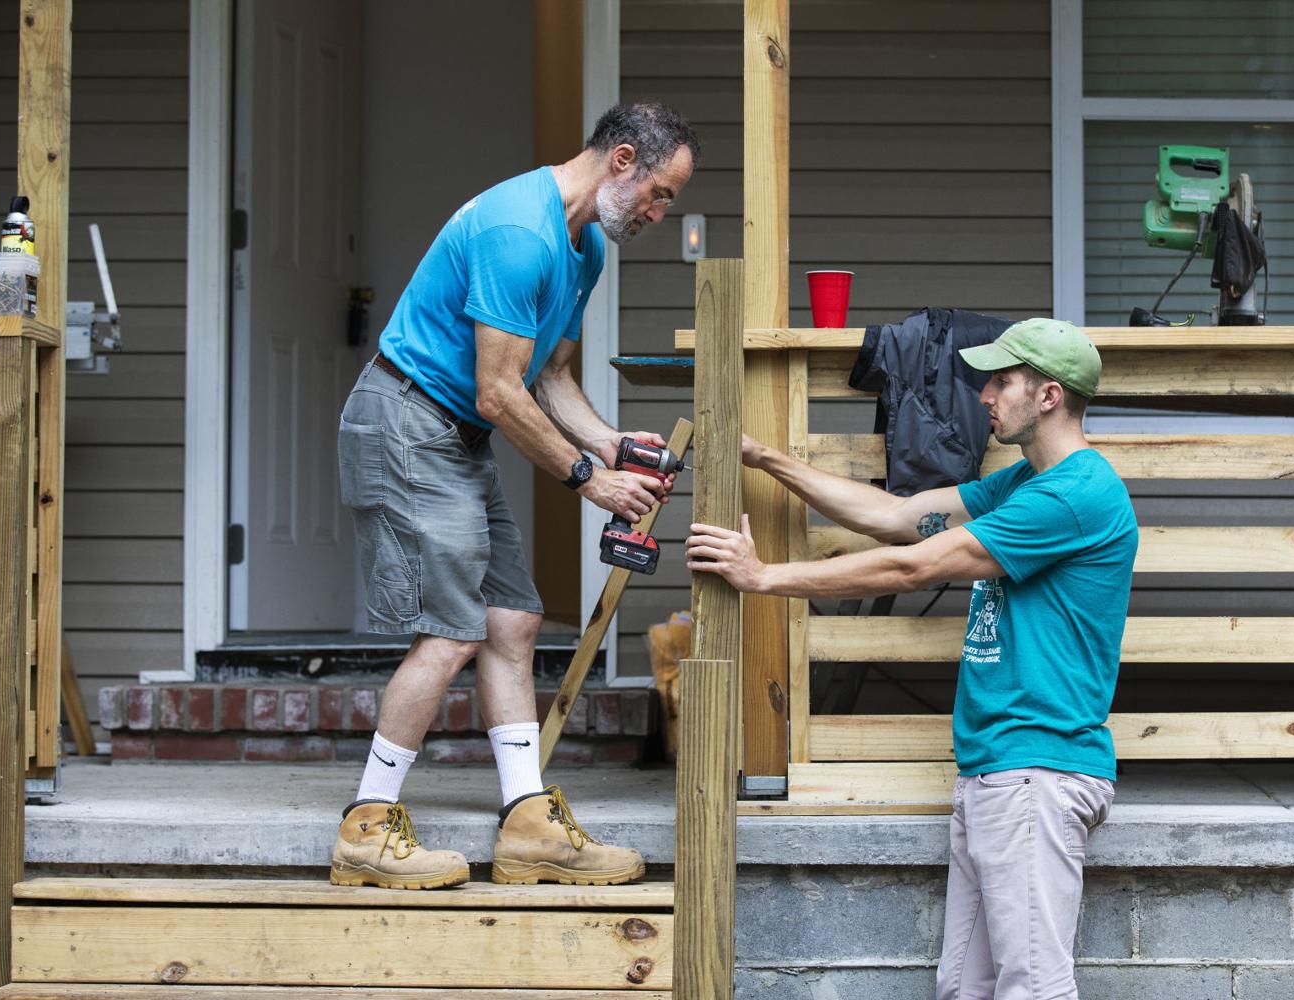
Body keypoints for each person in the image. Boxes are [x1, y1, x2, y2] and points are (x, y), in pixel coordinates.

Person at [686, 318, 1138, 999]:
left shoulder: (1074, 496)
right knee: (965, 987)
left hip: (1036, 774)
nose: (984, 394)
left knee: (1034, 989)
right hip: (998, 771)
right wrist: (767, 459)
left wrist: (765, 578)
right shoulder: (1021, 485)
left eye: (1001, 381)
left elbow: (912, 565)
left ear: (1048, 396)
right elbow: (899, 519)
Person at [333, 103, 699, 890]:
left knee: (513, 617)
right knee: (454, 629)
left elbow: (550, 378)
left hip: (453, 432)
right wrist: (588, 478)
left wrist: (608, 442)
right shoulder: (519, 232)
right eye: (660, 194)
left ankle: (527, 822)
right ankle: (366, 825)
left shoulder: (583, 249)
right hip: (406, 418)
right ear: (623, 160)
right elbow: (499, 393)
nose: (659, 214)